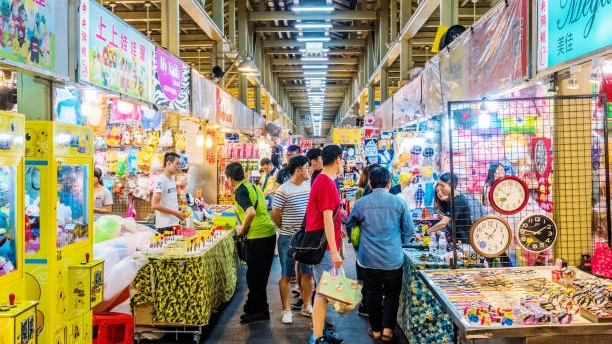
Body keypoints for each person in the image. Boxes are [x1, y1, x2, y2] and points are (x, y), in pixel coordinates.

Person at [346, 167, 415, 342]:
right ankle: (388, 331)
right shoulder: (399, 203)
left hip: (368, 259)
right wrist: (402, 243)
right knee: (392, 294)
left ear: (370, 183)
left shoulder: (361, 203)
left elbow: (350, 225)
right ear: (389, 183)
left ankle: (376, 330)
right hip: (393, 259)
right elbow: (409, 230)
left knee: (372, 294)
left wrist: (357, 244)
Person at [225, 162, 277, 324]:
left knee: (255, 276)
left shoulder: (240, 191)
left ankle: (260, 310)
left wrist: (241, 229)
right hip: (268, 234)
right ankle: (255, 305)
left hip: (257, 237)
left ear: (230, 178)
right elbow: (263, 206)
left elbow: (251, 211)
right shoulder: (253, 187)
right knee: (260, 276)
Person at [307, 144, 345, 344]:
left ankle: (323, 331)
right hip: (324, 248)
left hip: (326, 245)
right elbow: (327, 218)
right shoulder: (325, 182)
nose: (343, 164)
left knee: (327, 290)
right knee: (323, 292)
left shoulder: (325, 181)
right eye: (342, 160)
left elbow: (329, 218)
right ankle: (318, 336)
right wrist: (335, 251)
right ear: (338, 159)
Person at [271, 155, 314, 324]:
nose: (308, 170)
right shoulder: (283, 189)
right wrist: (285, 228)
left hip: (306, 238)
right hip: (287, 237)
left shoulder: (309, 186)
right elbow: (275, 214)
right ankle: (286, 310)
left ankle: (307, 305)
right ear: (298, 170)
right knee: (286, 274)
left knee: (308, 273)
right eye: (306, 167)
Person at [427, 172, 472, 245]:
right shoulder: (452, 199)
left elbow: (443, 223)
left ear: (451, 185)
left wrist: (427, 232)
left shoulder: (458, 201)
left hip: (463, 241)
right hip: (455, 239)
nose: (440, 187)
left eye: (443, 185)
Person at [151, 152, 186, 233]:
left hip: (174, 224)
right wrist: (175, 213)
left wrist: (178, 209)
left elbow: (168, 201)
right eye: (177, 164)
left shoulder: (172, 178)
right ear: (169, 163)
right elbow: (154, 205)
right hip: (165, 227)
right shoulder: (161, 180)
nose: (178, 167)